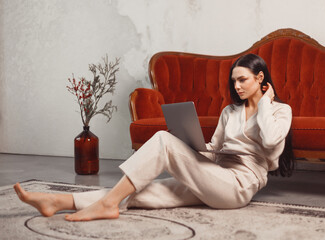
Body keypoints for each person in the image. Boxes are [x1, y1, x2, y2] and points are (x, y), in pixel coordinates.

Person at [13, 53, 294, 222]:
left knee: (161, 140)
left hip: (238, 186)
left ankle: (108, 205)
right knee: (139, 191)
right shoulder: (230, 111)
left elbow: (270, 142)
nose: (236, 86)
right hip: (214, 174)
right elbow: (215, 148)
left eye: (242, 79)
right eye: (233, 80)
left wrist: (266, 102)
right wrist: (191, 145)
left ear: (260, 78)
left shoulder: (280, 111)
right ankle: (57, 202)